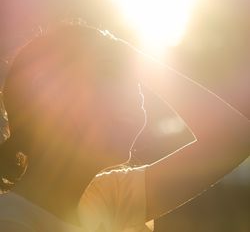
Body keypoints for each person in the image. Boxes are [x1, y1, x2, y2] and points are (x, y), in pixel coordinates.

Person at [0, 23, 249, 232]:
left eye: (134, 81)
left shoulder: (107, 197)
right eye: (110, 74)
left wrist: (134, 56)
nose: (137, 98)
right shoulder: (12, 222)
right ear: (52, 99)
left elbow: (236, 137)